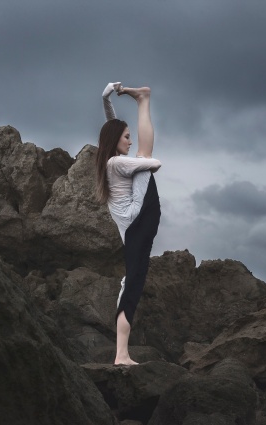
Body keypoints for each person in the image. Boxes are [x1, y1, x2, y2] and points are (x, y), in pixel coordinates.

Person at [94, 82, 161, 365]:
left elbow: (112, 127)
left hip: (132, 224)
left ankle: (143, 100)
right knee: (145, 158)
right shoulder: (117, 164)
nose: (130, 141)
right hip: (138, 217)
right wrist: (145, 161)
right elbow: (155, 163)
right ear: (116, 140)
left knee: (131, 281)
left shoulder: (108, 159)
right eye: (127, 137)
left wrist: (106, 97)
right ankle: (121, 354)